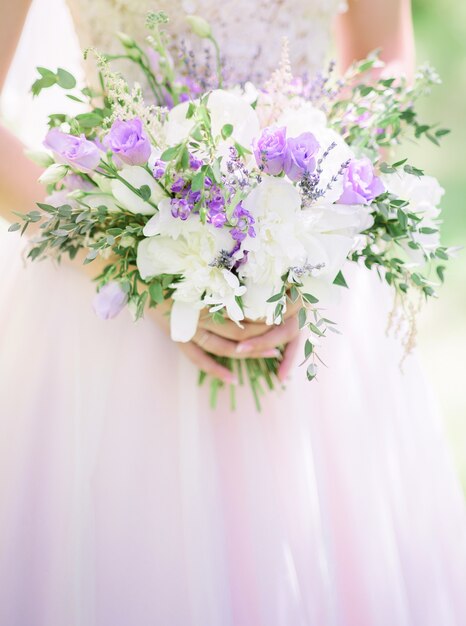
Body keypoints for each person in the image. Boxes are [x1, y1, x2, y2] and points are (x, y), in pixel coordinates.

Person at [1, 1, 465, 624]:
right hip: (114, 308)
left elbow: (385, 56)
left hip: (312, 294)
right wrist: (131, 257)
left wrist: (320, 226)